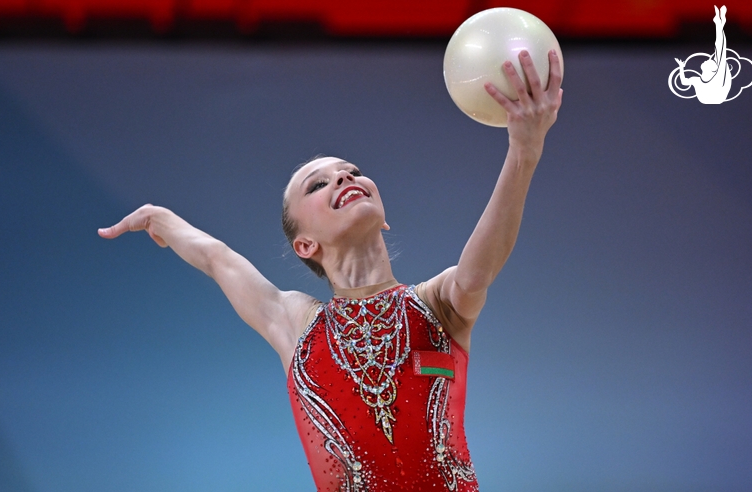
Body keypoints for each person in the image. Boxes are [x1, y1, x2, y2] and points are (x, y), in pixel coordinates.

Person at [99, 49, 563, 491]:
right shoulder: (295, 324)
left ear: (382, 216)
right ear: (305, 244)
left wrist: (524, 152)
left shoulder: (437, 305)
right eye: (317, 184)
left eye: (352, 171)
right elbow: (219, 258)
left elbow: (478, 270)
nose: (344, 177)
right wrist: (161, 219)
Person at [675, 5, 731, 104]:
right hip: (710, 99)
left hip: (716, 97)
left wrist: (719, 26)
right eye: (711, 60)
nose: (708, 59)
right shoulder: (697, 80)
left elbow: (720, 49)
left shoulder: (717, 78)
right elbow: (684, 82)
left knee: (720, 51)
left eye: (711, 61)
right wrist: (681, 67)